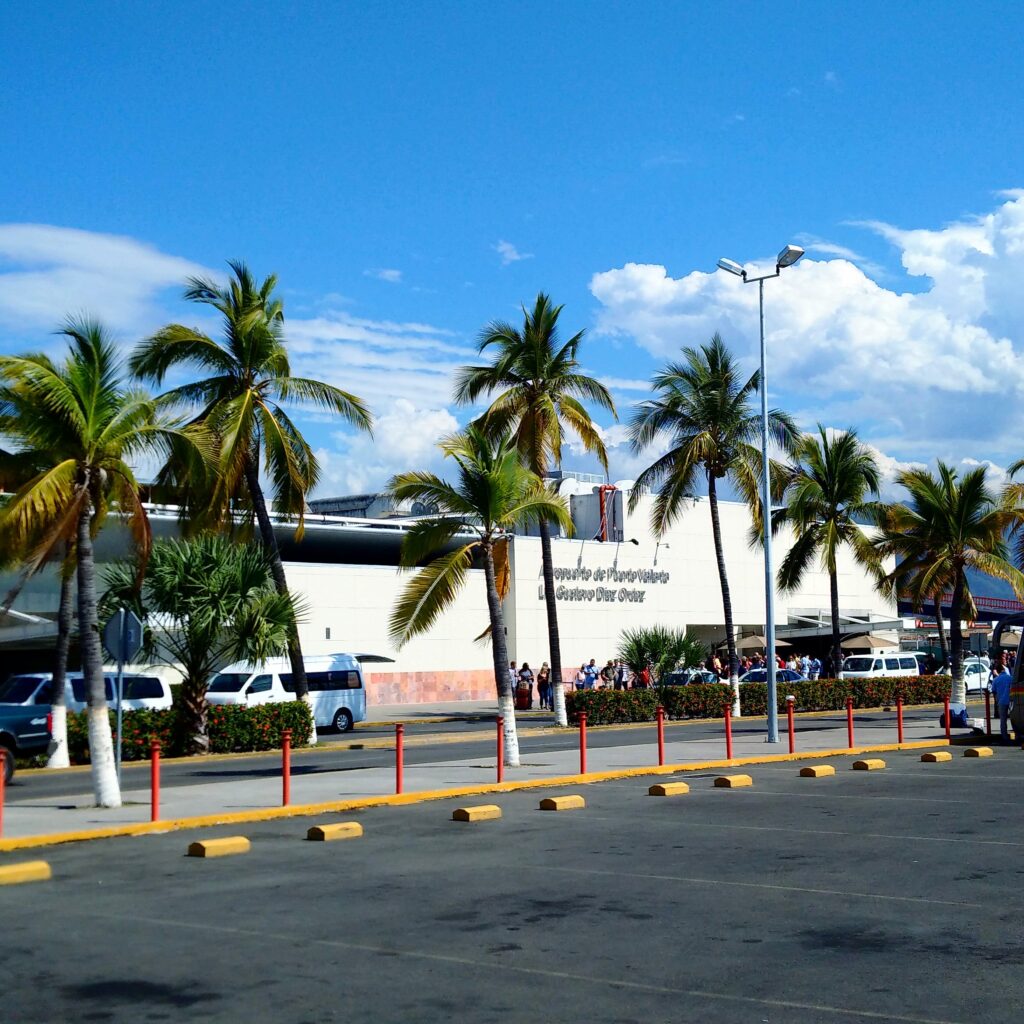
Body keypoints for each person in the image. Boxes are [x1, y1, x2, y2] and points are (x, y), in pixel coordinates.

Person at [991, 658, 1013, 744]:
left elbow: (994, 691)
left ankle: (1004, 736)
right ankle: (1018, 734)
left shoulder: (996, 680)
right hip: (1011, 701)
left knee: (1003, 720)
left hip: (1001, 702)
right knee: (1014, 719)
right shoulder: (1010, 678)